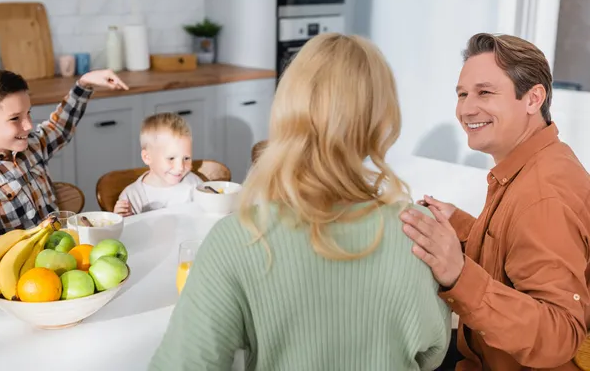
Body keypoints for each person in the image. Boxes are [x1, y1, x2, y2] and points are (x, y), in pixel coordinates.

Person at [148, 33, 451, 371]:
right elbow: (432, 353)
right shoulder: (418, 230)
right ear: (381, 121)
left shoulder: (237, 238)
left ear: (286, 110)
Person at [400, 32, 590, 370]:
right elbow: (521, 247)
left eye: (484, 93)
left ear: (533, 99)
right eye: (462, 94)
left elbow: (559, 335)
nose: (466, 109)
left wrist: (459, 276)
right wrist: (463, 227)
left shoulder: (544, 195)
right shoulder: (533, 165)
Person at [0, 68, 128, 238]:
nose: (28, 126)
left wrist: (84, 84)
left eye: (28, 114)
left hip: (63, 249)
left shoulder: (33, 146)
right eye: (15, 118)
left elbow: (60, 126)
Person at [114, 112, 203, 217]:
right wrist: (122, 219)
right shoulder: (132, 196)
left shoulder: (194, 184)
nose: (180, 167)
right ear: (147, 157)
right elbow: (126, 231)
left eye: (186, 158)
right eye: (171, 158)